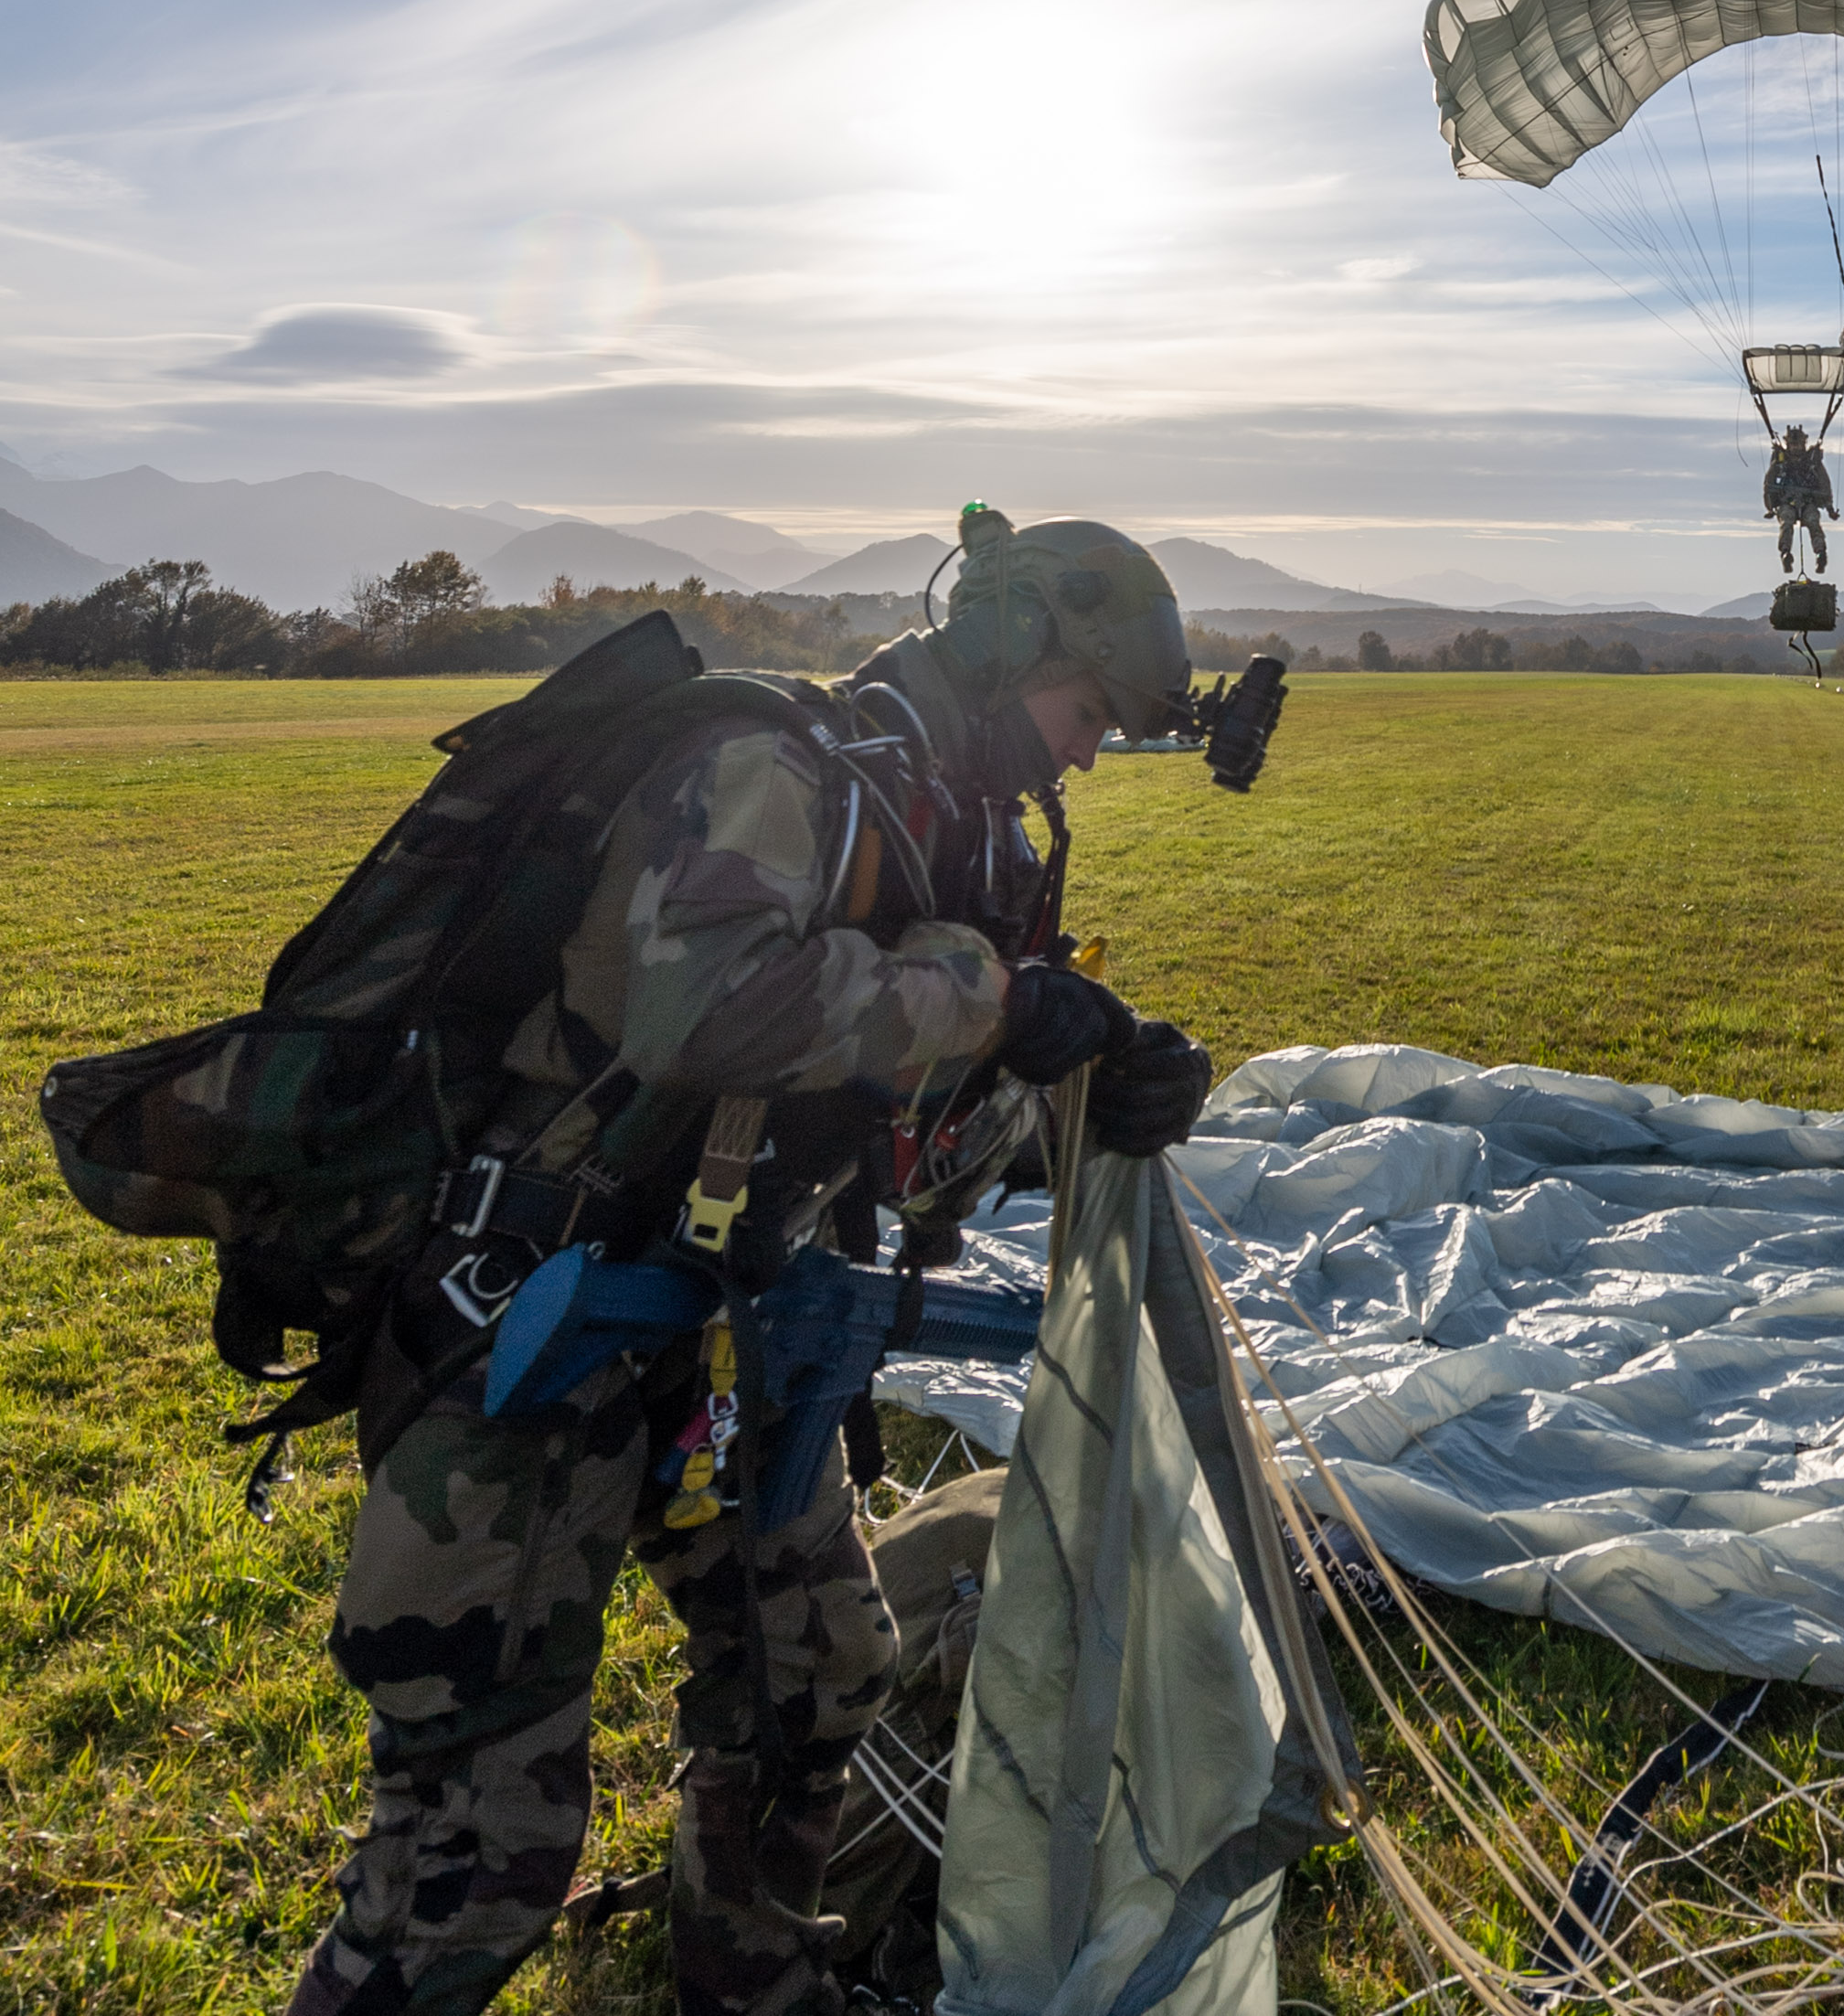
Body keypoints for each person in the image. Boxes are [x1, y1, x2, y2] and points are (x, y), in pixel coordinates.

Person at [287, 509, 1220, 2016]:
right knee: (476, 1846)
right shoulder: (771, 772)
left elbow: (893, 1115)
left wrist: (1086, 1084)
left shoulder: (937, 825)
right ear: (1004, 652)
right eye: (1085, 713)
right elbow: (702, 1009)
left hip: (737, 1329)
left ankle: (757, 1983)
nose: (1091, 756)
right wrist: (990, 1002)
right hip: (534, 1334)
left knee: (816, 1667)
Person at [1764, 424, 1839, 575]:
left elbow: (1825, 485)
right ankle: (1786, 554)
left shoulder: (1812, 462)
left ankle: (1821, 554)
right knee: (1786, 522)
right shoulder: (1780, 461)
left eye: (1798, 444)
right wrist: (1770, 508)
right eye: (1793, 444)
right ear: (1788, 444)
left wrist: (1830, 508)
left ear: (1804, 444)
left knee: (1813, 522)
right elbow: (1768, 484)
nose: (1796, 448)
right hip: (1787, 503)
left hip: (1808, 503)